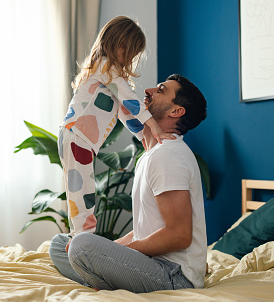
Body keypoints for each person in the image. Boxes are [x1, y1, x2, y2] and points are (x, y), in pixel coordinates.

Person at [50, 74, 208, 293]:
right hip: (152, 265)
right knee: (60, 245)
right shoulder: (151, 155)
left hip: (174, 277)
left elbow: (179, 235)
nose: (149, 91)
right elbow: (141, 232)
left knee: (81, 246)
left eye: (161, 90)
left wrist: (114, 255)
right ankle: (101, 278)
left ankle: (99, 280)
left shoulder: (169, 156)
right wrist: (109, 252)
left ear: (175, 111)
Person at [59, 16, 173, 239]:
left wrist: (146, 138)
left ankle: (80, 239)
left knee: (83, 192)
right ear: (117, 44)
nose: (130, 58)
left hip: (79, 138)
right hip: (76, 135)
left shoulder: (107, 75)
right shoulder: (105, 66)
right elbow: (130, 100)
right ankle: (81, 241)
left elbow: (125, 113)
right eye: (129, 52)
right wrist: (155, 128)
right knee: (81, 194)